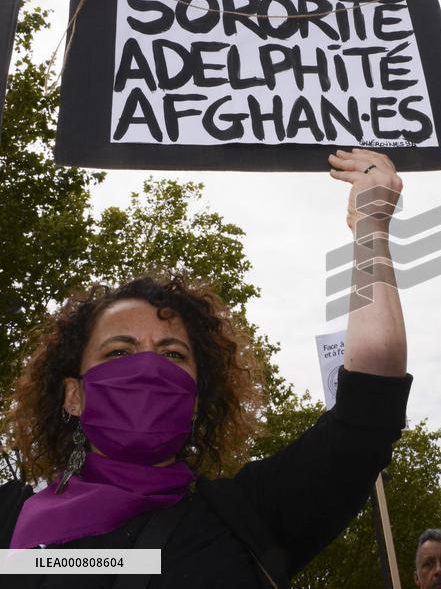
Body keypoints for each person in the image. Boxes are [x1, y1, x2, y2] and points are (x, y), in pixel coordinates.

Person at [0, 149, 410, 588]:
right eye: (119, 352)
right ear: (73, 395)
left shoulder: (250, 516)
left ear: (196, 396)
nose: (147, 369)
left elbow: (369, 402)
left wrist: (371, 225)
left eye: (173, 354)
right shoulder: (9, 519)